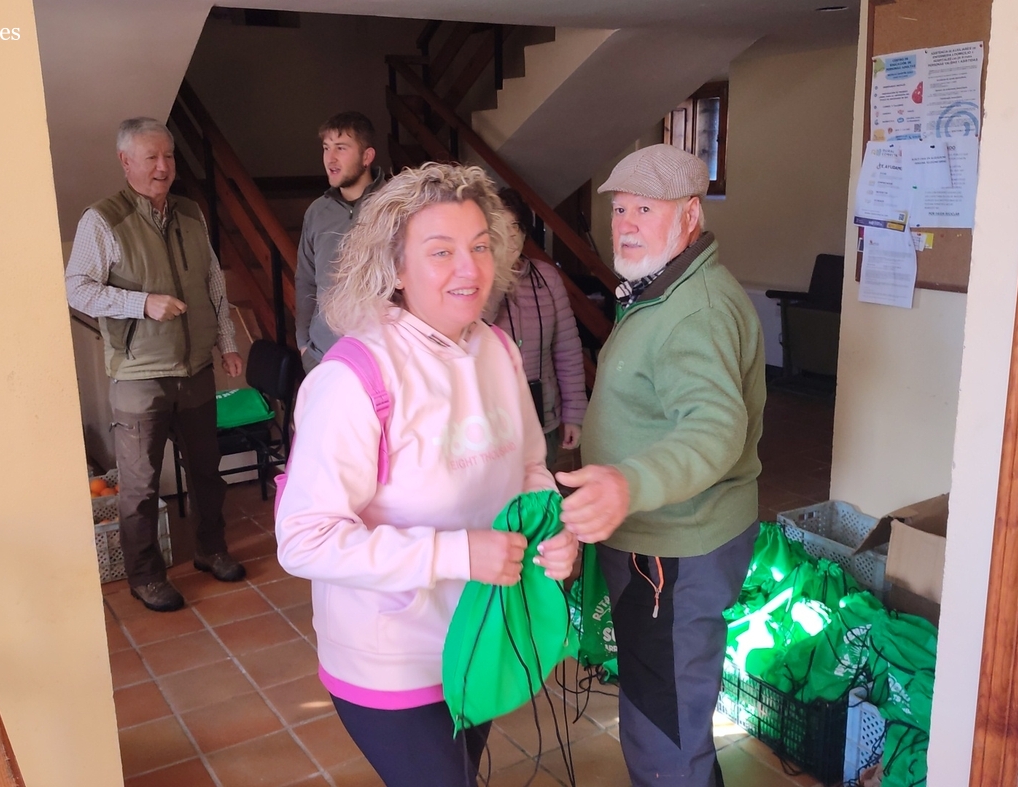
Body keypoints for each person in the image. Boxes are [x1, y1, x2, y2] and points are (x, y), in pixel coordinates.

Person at [275, 163, 579, 786]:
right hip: (391, 659)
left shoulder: (497, 349)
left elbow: (529, 467)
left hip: (480, 636)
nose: (469, 269)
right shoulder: (353, 377)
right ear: (394, 267)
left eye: (480, 247)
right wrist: (458, 552)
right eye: (441, 252)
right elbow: (303, 539)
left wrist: (553, 530)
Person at [556, 144, 766, 786]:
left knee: (664, 729)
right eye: (619, 209)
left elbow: (714, 428)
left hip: (673, 551)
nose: (625, 224)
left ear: (690, 216)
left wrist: (629, 482)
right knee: (663, 707)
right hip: (661, 542)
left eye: (645, 210)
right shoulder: (662, 289)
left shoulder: (695, 310)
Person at [65, 118, 246, 613]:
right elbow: (76, 287)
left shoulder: (190, 212)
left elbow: (213, 282)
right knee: (140, 486)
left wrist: (227, 343)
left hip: (196, 369)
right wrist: (141, 304)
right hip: (139, 374)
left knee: (207, 472)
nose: (163, 167)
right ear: (126, 162)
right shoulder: (102, 220)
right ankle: (145, 576)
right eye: (151, 157)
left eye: (168, 156)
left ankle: (212, 549)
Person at [490, 188, 587, 470]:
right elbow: (469, 332)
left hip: (543, 416)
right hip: (492, 423)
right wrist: (498, 275)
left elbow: (567, 350)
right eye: (499, 228)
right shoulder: (473, 280)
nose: (510, 236)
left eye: (515, 226)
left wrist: (574, 414)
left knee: (540, 491)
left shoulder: (546, 277)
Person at [295, 111, 388, 372]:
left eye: (341, 148)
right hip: (323, 356)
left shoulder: (395, 206)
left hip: (382, 358)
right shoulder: (317, 212)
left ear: (367, 156)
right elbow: (306, 280)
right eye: (326, 148)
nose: (330, 158)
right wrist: (304, 345)